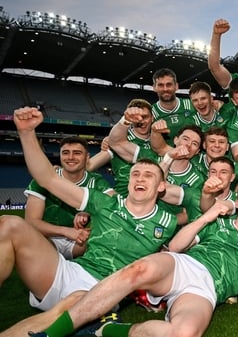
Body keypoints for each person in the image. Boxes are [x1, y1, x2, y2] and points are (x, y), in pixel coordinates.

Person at [2, 107, 183, 334]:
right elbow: (47, 179)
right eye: (135, 174)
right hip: (66, 272)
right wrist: (27, 134)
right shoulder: (105, 202)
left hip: (103, 291)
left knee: (73, 303)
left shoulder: (167, 222)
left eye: (148, 176)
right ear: (128, 183)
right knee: (9, 224)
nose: (140, 178)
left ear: (161, 186)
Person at [29, 182, 238, 337]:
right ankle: (51, 334)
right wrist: (208, 216)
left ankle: (108, 329)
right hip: (184, 265)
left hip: (205, 290)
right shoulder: (218, 224)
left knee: (183, 333)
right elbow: (175, 245)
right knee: (138, 270)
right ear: (237, 203)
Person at [24, 136, 112, 260]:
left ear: (87, 158)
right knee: (10, 225)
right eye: (65, 153)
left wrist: (89, 210)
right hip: (47, 239)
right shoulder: (43, 179)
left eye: (77, 153)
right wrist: (65, 231)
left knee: (110, 232)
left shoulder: (96, 181)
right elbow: (31, 222)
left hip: (80, 242)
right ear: (60, 156)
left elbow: (115, 203)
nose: (70, 157)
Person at [150, 68, 195, 145]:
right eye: (160, 85)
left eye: (169, 84)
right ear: (154, 87)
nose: (165, 89)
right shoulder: (151, 113)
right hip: (165, 155)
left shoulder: (192, 105)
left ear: (176, 86)